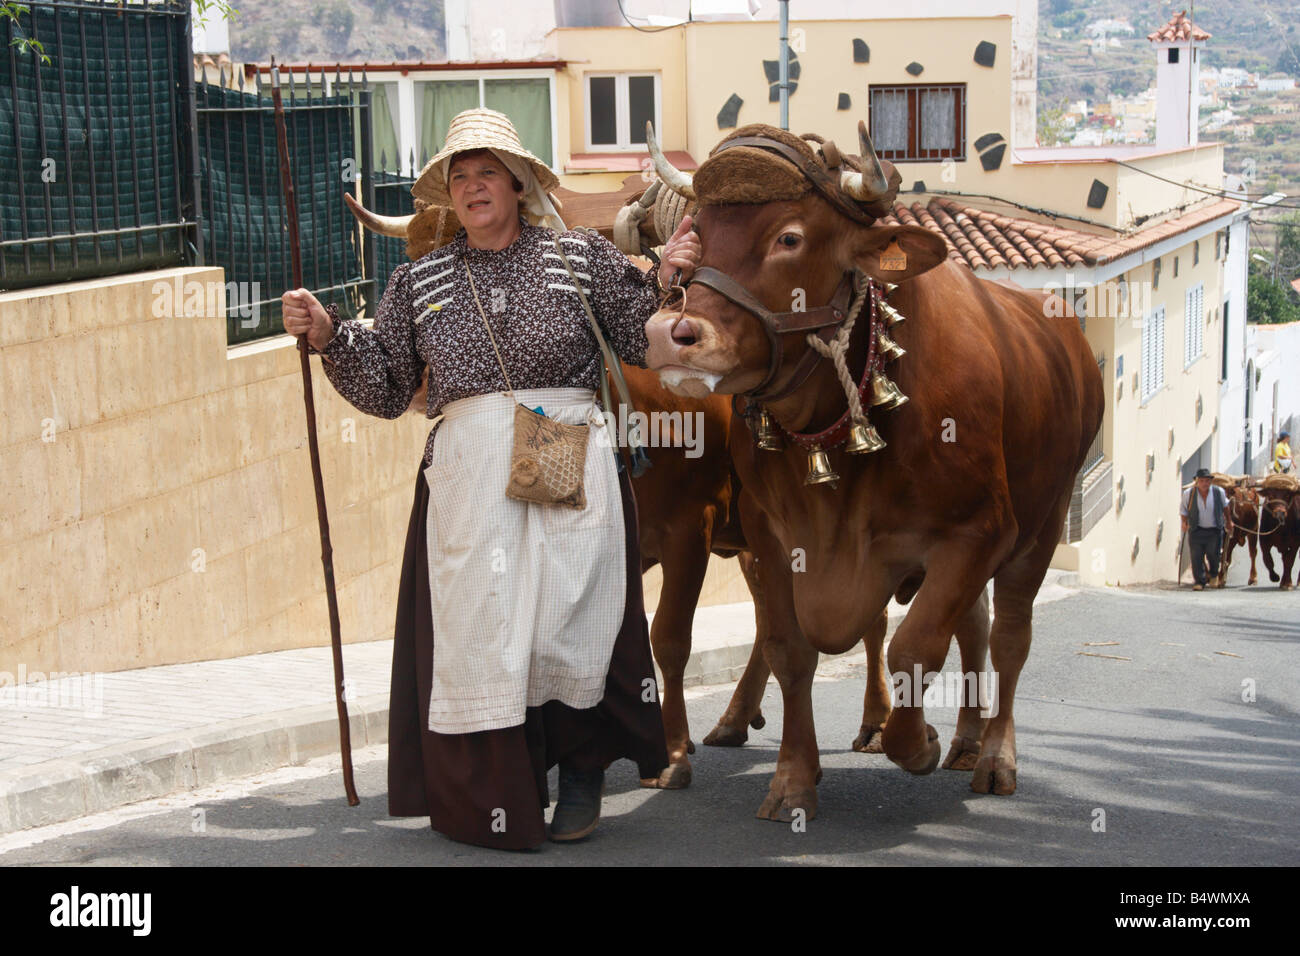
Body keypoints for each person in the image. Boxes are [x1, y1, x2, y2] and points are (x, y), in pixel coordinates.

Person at [280, 108, 701, 849]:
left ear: (516, 184)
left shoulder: (578, 257)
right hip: (469, 468)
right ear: (448, 193)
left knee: (564, 614)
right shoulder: (418, 281)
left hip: (561, 440)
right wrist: (328, 334)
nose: (474, 188)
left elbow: (643, 338)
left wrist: (670, 281)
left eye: (487, 174)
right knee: (489, 624)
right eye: (460, 177)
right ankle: (501, 786)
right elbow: (386, 387)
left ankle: (578, 773)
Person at [1180, 468, 1233, 590]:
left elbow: (1225, 507)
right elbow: (1183, 509)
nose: (1205, 483)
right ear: (1197, 481)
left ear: (1211, 482)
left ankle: (1214, 575)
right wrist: (1184, 522)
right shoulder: (1189, 493)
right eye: (1202, 481)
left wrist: (1229, 521)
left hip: (1214, 530)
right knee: (1196, 556)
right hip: (1196, 530)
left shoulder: (1219, 492)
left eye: (1207, 481)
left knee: (1213, 554)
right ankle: (1199, 581)